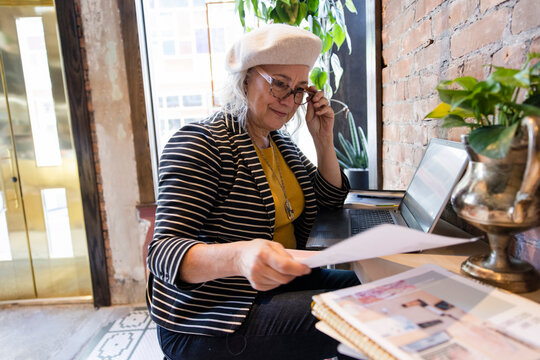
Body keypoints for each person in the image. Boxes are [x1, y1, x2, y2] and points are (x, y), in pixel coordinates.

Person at [146, 23, 360, 360]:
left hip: (278, 286)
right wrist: (239, 256)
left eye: (300, 89)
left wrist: (323, 139)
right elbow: (162, 253)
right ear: (246, 78)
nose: (290, 101)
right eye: (279, 84)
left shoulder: (281, 145)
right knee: (362, 316)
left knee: (378, 292)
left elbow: (330, 200)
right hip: (212, 314)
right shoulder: (202, 143)